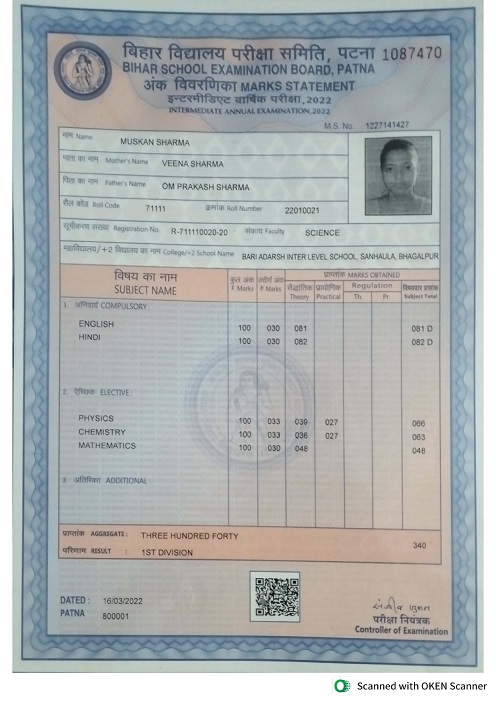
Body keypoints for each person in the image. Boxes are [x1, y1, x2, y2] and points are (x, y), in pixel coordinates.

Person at [366, 138, 431, 215]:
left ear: (418, 169)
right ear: (382, 171)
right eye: (390, 169)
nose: (399, 176)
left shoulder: (431, 208)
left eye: (407, 167)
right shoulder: (367, 209)